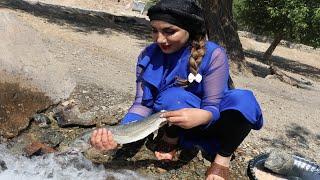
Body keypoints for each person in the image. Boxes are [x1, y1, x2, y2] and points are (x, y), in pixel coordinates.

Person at [90, 0, 263, 179]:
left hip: (214, 119)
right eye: (154, 30)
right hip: (176, 121)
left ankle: (222, 159)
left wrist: (204, 115)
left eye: (169, 31)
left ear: (190, 30)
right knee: (173, 97)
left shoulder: (214, 55)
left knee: (245, 100)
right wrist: (119, 134)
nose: (159, 39)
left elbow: (213, 105)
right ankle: (171, 138)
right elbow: (142, 104)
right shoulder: (148, 56)